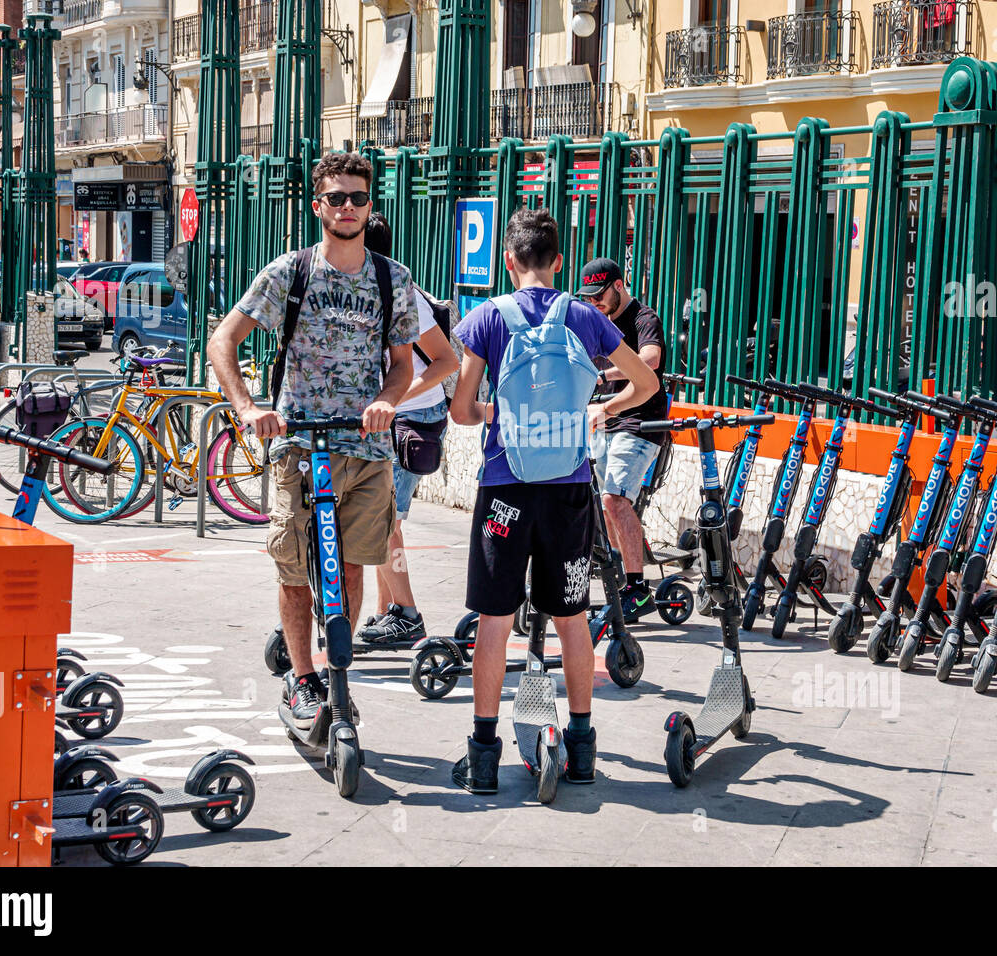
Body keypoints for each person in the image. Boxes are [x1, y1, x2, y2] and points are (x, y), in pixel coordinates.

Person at [449, 208, 658, 793]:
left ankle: (484, 756)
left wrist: (496, 412)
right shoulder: (586, 317)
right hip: (568, 488)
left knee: (494, 618)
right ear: (560, 261)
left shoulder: (488, 317)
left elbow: (462, 412)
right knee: (571, 618)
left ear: (510, 261)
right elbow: (646, 384)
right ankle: (584, 750)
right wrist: (601, 410)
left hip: (505, 490)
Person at [206, 151, 417, 731]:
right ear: (318, 205)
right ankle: (302, 681)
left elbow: (403, 365)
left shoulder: (390, 278)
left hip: (365, 449)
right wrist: (248, 407)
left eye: (358, 198)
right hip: (298, 448)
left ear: (369, 205)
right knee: (295, 571)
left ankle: (336, 674)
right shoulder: (289, 273)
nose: (348, 207)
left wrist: (387, 401)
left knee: (352, 570)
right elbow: (223, 339)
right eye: (337, 198)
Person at [356, 212, 460, 643]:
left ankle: (408, 614)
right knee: (386, 520)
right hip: (395, 418)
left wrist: (392, 398)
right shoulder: (367, 290)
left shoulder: (403, 296)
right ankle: (387, 611)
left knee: (384, 521)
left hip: (412, 420)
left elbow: (447, 361)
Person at [576, 257, 666, 620]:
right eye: (589, 297)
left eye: (600, 295)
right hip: (604, 418)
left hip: (640, 421)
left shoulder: (644, 318)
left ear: (619, 285)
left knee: (614, 499)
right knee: (604, 507)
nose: (594, 303)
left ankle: (638, 589)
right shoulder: (596, 322)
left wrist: (603, 374)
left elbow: (651, 360)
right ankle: (621, 580)